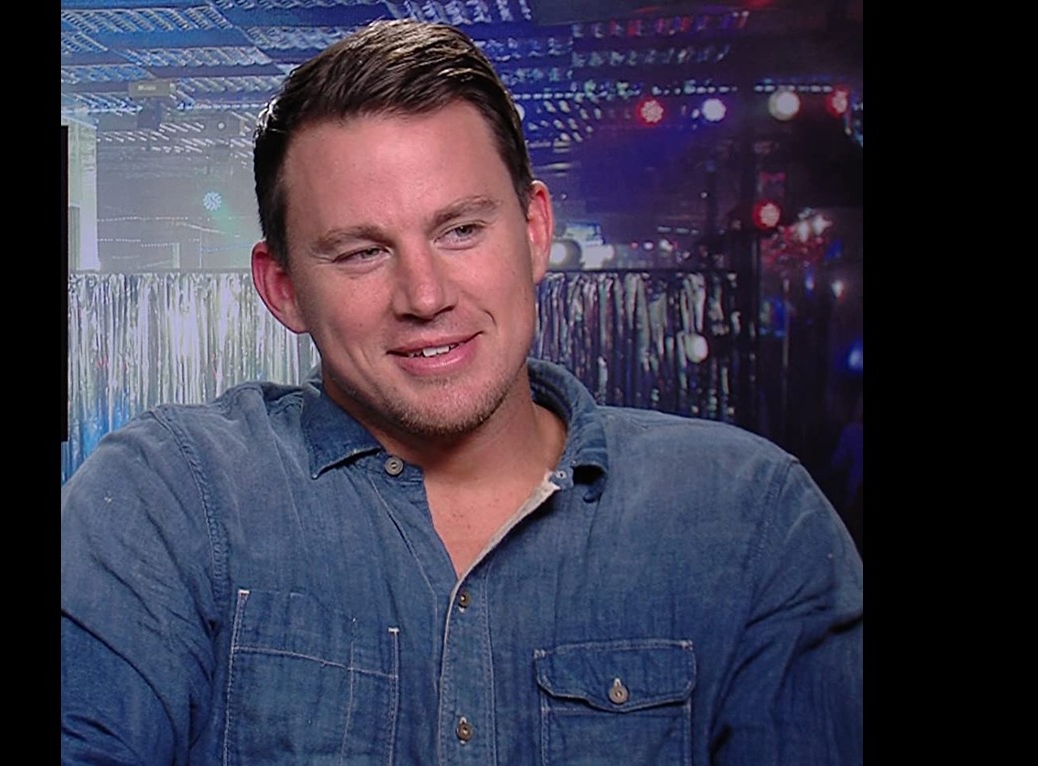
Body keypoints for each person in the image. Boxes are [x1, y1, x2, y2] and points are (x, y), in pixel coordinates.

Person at [61, 19, 862, 764]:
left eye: (461, 230)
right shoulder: (171, 499)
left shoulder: (751, 517)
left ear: (535, 232)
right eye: (361, 252)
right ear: (283, 289)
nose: (425, 294)